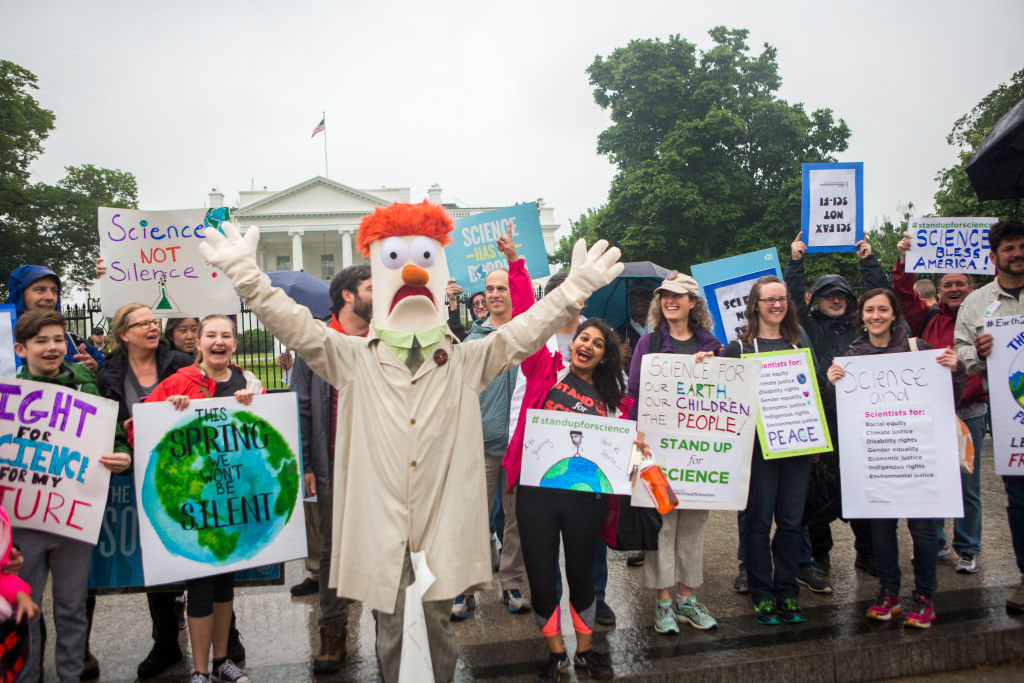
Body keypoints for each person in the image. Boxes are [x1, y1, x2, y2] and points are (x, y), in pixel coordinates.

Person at [198, 206, 622, 683]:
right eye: (398, 260)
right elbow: (293, 323)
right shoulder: (351, 357)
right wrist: (246, 275)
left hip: (442, 519)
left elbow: (525, 332)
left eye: (422, 260)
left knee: (439, 625)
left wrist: (574, 289)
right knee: (393, 625)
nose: (413, 271)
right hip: (381, 520)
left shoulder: (464, 359)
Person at [503, 301, 625, 679]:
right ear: (572, 344)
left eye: (597, 343)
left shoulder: (612, 401)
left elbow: (623, 447)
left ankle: (585, 652)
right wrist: (517, 269)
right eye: (582, 338)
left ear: (604, 356)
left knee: (582, 576)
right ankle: (556, 653)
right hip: (536, 496)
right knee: (540, 579)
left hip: (584, 501)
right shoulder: (545, 371)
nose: (586, 345)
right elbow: (527, 322)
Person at [828, 289, 963, 628]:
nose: (876, 315)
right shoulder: (851, 357)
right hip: (876, 459)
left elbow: (950, 397)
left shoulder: (920, 349)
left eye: (883, 309)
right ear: (861, 316)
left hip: (917, 457)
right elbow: (838, 412)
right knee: (882, 531)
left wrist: (956, 369)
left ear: (894, 313)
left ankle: (924, 597)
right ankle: (888, 593)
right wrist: (831, 386)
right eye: (869, 310)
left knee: (923, 531)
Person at [12, 310, 131, 682]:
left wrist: (122, 457)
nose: (51, 348)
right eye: (41, 341)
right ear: (21, 349)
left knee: (72, 608)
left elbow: (114, 439)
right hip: (22, 525)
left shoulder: (87, 387)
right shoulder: (8, 396)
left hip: (74, 519)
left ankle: (70, 675)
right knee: (23, 611)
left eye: (57, 340)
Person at [143, 314, 261, 683]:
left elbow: (266, 439)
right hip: (195, 505)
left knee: (225, 585)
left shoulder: (249, 383)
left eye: (226, 335)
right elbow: (140, 428)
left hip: (232, 501)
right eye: (210, 335)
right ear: (199, 343)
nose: (218, 341)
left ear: (234, 344)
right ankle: (199, 670)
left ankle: (223, 661)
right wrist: (167, 410)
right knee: (200, 585)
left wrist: (252, 404)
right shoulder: (179, 382)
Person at [96, 303, 196, 679]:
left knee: (198, 545)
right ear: (124, 333)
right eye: (143, 324)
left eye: (155, 322)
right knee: (156, 555)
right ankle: (165, 641)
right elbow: (105, 418)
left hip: (185, 466)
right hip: (139, 469)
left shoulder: (179, 362)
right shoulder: (109, 372)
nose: (153, 328)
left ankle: (226, 632)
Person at [785, 234, 888, 578]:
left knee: (861, 484)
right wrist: (796, 263)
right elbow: (790, 300)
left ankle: (867, 551)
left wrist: (868, 261)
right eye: (828, 295)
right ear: (817, 301)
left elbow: (882, 299)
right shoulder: (806, 326)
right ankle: (820, 555)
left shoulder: (861, 327)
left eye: (841, 295)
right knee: (817, 489)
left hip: (859, 419)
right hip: (821, 416)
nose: (835, 300)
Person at [626, 272, 722, 634]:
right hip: (658, 453)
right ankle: (663, 602)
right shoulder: (648, 343)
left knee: (693, 528)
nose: (670, 300)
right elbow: (635, 393)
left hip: (699, 456)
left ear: (693, 303)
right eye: (665, 295)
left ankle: (687, 598)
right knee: (662, 527)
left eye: (679, 296)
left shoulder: (713, 346)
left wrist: (712, 368)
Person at [291, 264, 370, 673]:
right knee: (333, 550)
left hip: (379, 463)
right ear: (348, 296)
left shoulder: (386, 338)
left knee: (385, 548)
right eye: (372, 288)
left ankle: (391, 631)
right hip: (333, 460)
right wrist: (306, 462)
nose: (382, 294)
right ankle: (332, 633)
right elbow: (301, 404)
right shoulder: (317, 341)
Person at [725, 275, 817, 625]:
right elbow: (726, 398)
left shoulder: (799, 341)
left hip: (796, 447)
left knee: (792, 523)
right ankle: (763, 593)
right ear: (755, 305)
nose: (776, 305)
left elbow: (814, 386)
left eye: (782, 299)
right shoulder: (740, 348)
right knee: (758, 524)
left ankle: (788, 591)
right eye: (769, 300)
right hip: (757, 453)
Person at [451, 234, 533, 619]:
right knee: (471, 518)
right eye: (489, 289)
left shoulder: (528, 338)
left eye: (501, 287)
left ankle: (512, 582)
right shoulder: (474, 339)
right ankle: (464, 587)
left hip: (520, 446)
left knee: (515, 522)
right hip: (482, 443)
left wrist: (515, 259)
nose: (495, 294)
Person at [894, 235, 986, 573]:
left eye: (960, 283)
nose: (953, 288)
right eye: (947, 283)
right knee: (930, 480)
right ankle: (934, 543)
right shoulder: (928, 316)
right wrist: (903, 259)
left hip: (969, 410)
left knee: (967, 486)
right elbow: (903, 296)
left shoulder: (984, 317)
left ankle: (967, 547)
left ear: (972, 287)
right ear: (939, 289)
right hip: (931, 411)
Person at [954, 217, 1024, 615]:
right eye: (1009, 248)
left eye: (1021, 245)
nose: (1017, 254)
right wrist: (977, 353)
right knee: (1018, 498)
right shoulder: (978, 303)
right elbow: (961, 351)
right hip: (1012, 413)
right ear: (994, 257)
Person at [6, 265, 104, 373]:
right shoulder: (4, 337)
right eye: (40, 290)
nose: (50, 297)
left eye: (54, 291)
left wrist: (95, 365)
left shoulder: (72, 339)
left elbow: (102, 361)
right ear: (20, 294)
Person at [615, 287, 653, 361]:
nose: (639, 301)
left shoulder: (661, 327)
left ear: (651, 300)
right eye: (634, 297)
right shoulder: (619, 332)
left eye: (644, 296)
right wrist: (617, 353)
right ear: (630, 301)